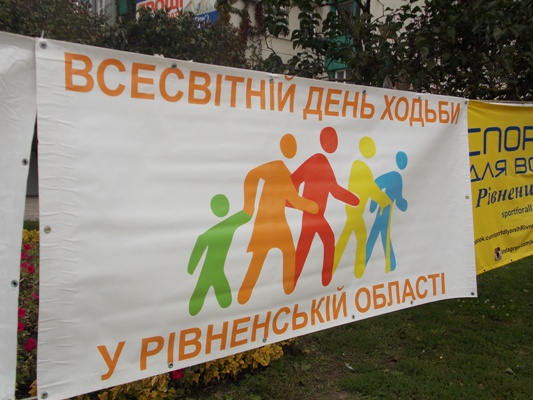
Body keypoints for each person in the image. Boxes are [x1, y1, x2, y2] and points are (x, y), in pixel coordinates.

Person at [237, 134, 318, 305]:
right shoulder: (276, 167)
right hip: (265, 223)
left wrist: (310, 206)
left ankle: (288, 291)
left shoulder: (284, 172)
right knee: (260, 257)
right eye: (291, 147)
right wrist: (248, 206)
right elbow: (252, 175)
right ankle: (245, 295)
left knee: (287, 253)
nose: (293, 150)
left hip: (279, 223)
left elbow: (293, 200)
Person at [290, 127, 360, 287]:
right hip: (310, 214)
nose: (333, 144)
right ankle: (294, 281)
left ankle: (324, 281)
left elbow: (334, 190)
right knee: (306, 246)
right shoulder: (317, 160)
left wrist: (354, 200)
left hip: (318, 215)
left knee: (325, 241)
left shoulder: (324, 162)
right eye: (331, 140)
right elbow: (293, 180)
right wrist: (299, 203)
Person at [333, 136, 392, 279]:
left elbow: (370, 188)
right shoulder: (359, 166)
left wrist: (383, 199)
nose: (371, 151)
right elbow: (370, 187)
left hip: (355, 210)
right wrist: (383, 199)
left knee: (350, 236)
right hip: (354, 209)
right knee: (353, 236)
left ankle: (343, 269)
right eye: (369, 148)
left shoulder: (362, 166)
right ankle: (353, 271)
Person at [187, 194, 251, 316]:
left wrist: (191, 269)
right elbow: (246, 214)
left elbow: (246, 215)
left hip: (215, 268)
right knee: (211, 295)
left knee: (214, 295)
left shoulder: (224, 226)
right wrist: (191, 269)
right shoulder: (224, 226)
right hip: (211, 268)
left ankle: (195, 311)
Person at [366, 151, 408, 273]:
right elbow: (376, 185)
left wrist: (402, 204)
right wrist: (373, 205)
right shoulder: (395, 176)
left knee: (380, 237)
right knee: (379, 236)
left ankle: (388, 265)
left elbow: (398, 198)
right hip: (383, 211)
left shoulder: (397, 177)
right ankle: (388, 264)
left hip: (386, 213)